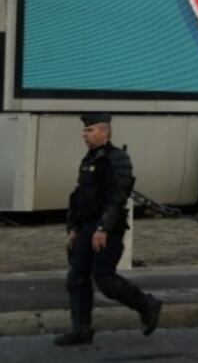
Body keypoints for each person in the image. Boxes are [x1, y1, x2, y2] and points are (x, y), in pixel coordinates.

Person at [57, 113, 162, 346]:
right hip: (86, 227)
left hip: (107, 227)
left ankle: (146, 304)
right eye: (85, 131)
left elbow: (117, 197)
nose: (85, 135)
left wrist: (103, 228)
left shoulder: (118, 158)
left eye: (91, 130)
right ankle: (81, 329)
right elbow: (79, 195)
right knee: (76, 278)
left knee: (104, 278)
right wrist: (73, 227)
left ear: (106, 132)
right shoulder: (89, 159)